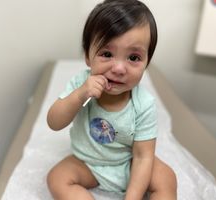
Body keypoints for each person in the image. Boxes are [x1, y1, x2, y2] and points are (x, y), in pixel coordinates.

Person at [46, 0, 177, 199]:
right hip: (86, 163)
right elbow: (54, 122)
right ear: (88, 57)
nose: (118, 69)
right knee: (56, 178)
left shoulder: (143, 104)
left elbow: (143, 156)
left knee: (166, 179)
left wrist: (132, 196)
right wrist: (80, 94)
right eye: (106, 54)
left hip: (128, 162)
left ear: (147, 62)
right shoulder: (81, 84)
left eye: (133, 58)